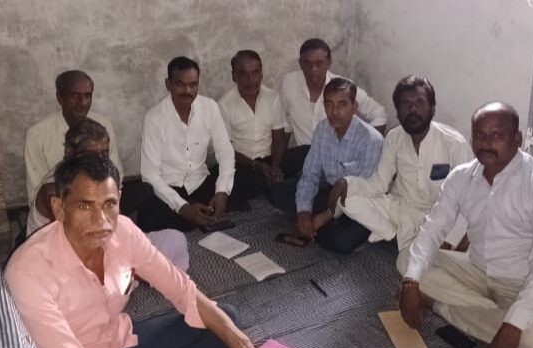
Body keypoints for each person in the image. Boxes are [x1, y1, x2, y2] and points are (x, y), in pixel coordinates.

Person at [5, 153, 269, 348]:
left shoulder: (124, 231)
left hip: (119, 344)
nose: (101, 221)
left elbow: (183, 291)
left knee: (223, 321)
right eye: (85, 206)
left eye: (109, 204)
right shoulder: (27, 271)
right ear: (59, 209)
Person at [399, 102, 533, 348]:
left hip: (522, 281)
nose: (486, 143)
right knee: (406, 260)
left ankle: (441, 306)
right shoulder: (461, 177)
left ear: (517, 139)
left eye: (497, 135)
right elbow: (433, 229)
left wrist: (513, 326)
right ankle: (492, 317)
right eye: (479, 135)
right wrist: (410, 284)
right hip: (475, 270)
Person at [329, 76, 473, 274]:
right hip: (399, 208)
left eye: (419, 102)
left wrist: (448, 243)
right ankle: (393, 235)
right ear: (397, 111)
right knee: (347, 199)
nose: (412, 109)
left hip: (436, 218)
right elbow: (379, 183)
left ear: (432, 108)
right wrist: (347, 183)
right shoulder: (394, 137)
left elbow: (468, 202)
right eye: (405, 104)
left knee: (407, 266)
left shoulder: (454, 144)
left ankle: (411, 244)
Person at [27, 117, 189, 270]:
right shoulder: (53, 189)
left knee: (175, 239)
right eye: (92, 155)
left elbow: (113, 224)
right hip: (59, 261)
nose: (101, 161)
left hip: (100, 245)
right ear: (71, 155)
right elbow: (70, 246)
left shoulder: (100, 179)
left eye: (104, 154)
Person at [139, 57, 247, 232]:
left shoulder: (209, 107)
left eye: (193, 85)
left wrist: (221, 192)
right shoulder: (154, 118)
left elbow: (225, 153)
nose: (187, 91)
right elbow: (149, 174)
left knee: (241, 180)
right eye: (180, 84)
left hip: (200, 181)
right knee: (148, 217)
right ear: (168, 84)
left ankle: (199, 214)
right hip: (171, 187)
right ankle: (198, 214)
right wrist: (182, 207)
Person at [289, 78, 383, 254]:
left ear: (354, 107)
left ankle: (323, 227)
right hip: (330, 191)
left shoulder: (371, 140)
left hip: (359, 201)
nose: (334, 112)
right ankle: (314, 225)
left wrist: (324, 216)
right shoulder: (322, 129)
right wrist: (304, 212)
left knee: (340, 242)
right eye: (329, 104)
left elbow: (363, 190)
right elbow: (310, 174)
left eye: (342, 104)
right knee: (284, 195)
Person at [24, 70, 123, 202]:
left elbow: (115, 174)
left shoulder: (104, 124)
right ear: (59, 97)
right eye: (75, 96)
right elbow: (37, 192)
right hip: (56, 207)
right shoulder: (37, 134)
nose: (83, 103)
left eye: (88, 95)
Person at [218, 50, 304, 200]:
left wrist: (276, 165)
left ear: (261, 74)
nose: (250, 80)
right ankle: (275, 187)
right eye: (243, 74)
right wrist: (255, 166)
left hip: (271, 159)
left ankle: (272, 183)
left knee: (305, 152)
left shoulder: (273, 97)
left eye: (255, 72)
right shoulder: (224, 105)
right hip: (244, 164)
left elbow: (278, 138)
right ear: (234, 76)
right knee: (232, 178)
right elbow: (226, 149)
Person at [281, 38, 387, 151]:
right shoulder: (290, 83)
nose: (313, 69)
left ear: (329, 63)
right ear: (300, 64)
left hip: (337, 155)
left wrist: (366, 147)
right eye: (308, 63)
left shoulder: (343, 88)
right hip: (303, 155)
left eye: (319, 63)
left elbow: (379, 114)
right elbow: (285, 122)